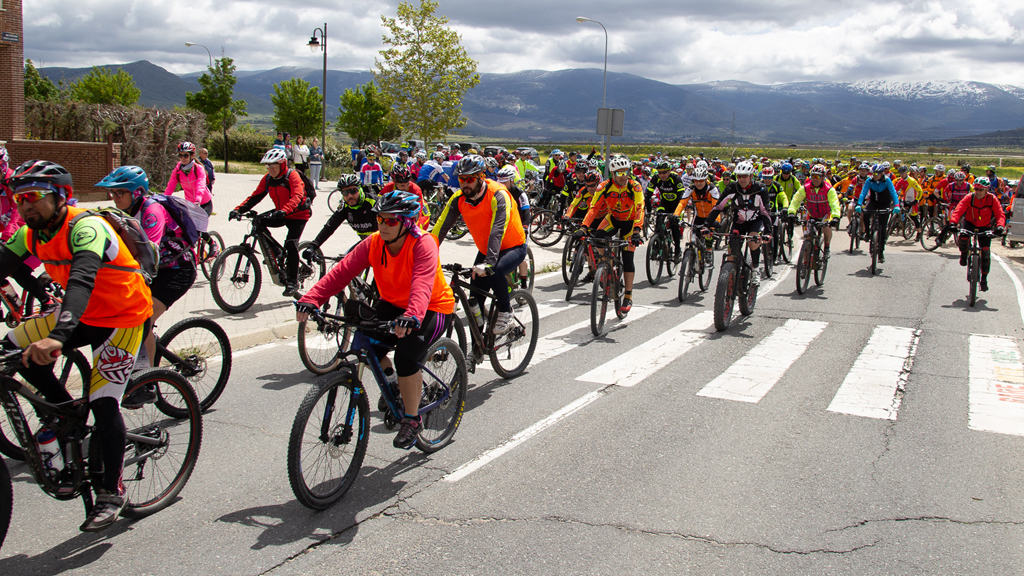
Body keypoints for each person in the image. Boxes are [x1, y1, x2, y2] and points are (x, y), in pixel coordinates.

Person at [0, 159, 152, 532]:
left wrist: (57, 336)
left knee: (104, 404)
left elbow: (82, 280)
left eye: (34, 197)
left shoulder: (87, 228)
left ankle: (110, 491)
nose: (25, 206)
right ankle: (62, 412)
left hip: (122, 316)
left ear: (61, 196)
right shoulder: (30, 233)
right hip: (80, 313)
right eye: (18, 199)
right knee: (10, 348)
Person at [297, 191, 455, 449]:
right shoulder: (373, 242)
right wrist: (312, 298)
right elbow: (342, 272)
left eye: (391, 221)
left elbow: (423, 283)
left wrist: (412, 316)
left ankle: (412, 419)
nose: (382, 224)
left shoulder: (423, 243)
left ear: (407, 222)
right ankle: (393, 386)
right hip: (392, 304)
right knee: (368, 341)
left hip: (431, 308)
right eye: (379, 218)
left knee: (406, 357)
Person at [95, 165, 196, 367]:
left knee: (141, 321)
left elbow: (150, 252)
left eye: (120, 192)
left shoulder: (152, 211)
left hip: (176, 272)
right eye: (112, 192)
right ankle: (145, 348)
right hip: (155, 269)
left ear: (137, 192)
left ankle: (147, 379)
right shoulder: (121, 211)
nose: (115, 197)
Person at [432, 155, 526, 334]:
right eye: (461, 179)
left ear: (482, 177)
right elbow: (439, 228)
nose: (465, 184)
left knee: (496, 270)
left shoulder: (498, 194)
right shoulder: (458, 199)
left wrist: (489, 262)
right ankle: (479, 344)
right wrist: (424, 255)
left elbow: (498, 229)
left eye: (469, 179)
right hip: (486, 250)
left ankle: (506, 311)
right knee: (474, 300)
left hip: (513, 246)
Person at [230, 148, 311, 297]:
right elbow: (255, 197)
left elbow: (298, 195)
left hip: (298, 214)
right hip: (282, 212)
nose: (270, 168)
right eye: (268, 165)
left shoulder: (291, 175)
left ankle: (293, 282)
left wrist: (285, 210)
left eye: (274, 164)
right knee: (258, 222)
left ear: (282, 164)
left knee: (291, 244)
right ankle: (276, 252)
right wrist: (238, 210)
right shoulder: (268, 179)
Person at [582, 155, 645, 314]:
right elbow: (594, 208)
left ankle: (628, 296)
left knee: (628, 257)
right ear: (612, 174)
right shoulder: (604, 186)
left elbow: (639, 208)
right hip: (613, 218)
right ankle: (606, 267)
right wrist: (583, 227)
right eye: (619, 173)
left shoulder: (634, 186)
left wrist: (637, 230)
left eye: (626, 172)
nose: (623, 177)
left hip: (630, 223)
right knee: (598, 237)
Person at [0, 147, 57, 314]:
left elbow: (18, 215)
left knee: (19, 270)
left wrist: (6, 238)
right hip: (15, 236)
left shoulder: (14, 184)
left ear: (3, 166)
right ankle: (13, 302)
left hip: (31, 234)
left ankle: (46, 302)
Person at [703, 161, 772, 283]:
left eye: (745, 176)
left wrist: (768, 232)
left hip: (755, 221)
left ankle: (755, 270)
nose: (742, 179)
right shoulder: (731, 188)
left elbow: (765, 211)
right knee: (730, 255)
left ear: (751, 176)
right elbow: (718, 207)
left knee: (752, 241)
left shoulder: (760, 189)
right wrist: (706, 226)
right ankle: (728, 281)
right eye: (739, 176)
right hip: (738, 222)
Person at [302, 174, 377, 260]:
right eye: (345, 192)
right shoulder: (344, 207)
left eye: (353, 190)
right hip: (365, 243)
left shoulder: (374, 203)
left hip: (382, 242)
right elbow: (329, 227)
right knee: (345, 264)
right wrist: (313, 246)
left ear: (360, 189)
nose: (349, 196)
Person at [951, 176, 1006, 291]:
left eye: (981, 190)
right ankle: (964, 254)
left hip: (985, 226)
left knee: (986, 253)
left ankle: (984, 279)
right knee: (963, 238)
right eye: (976, 189)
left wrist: (1000, 226)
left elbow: (1000, 214)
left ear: (987, 190)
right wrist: (953, 222)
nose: (978, 192)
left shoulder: (992, 199)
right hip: (970, 223)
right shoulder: (969, 197)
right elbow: (958, 210)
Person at [787, 164, 841, 255]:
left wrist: (836, 216)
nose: (815, 179)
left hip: (825, 214)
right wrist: (792, 212)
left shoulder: (829, 189)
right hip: (812, 215)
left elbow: (834, 203)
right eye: (813, 176)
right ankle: (804, 266)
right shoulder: (805, 188)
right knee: (807, 239)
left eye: (818, 176)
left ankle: (827, 247)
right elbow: (796, 200)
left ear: (823, 177)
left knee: (826, 228)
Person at [495, 165, 532, 288]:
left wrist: (525, 227)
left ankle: (524, 285)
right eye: (500, 182)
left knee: (520, 256)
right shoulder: (497, 193)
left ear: (512, 181)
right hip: (507, 226)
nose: (502, 185)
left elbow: (526, 212)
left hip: (521, 225)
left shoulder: (520, 195)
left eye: (505, 182)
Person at [856, 164, 901, 263]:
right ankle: (867, 233)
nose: (874, 175)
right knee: (866, 214)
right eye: (872, 173)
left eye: (876, 174)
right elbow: (863, 192)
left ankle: (881, 252)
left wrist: (897, 205)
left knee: (883, 229)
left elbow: (893, 193)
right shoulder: (870, 180)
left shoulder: (887, 180)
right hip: (873, 202)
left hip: (885, 204)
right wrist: (859, 204)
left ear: (882, 173)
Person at [674, 165, 720, 263]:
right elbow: (682, 202)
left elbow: (716, 207)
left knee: (708, 234)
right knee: (693, 238)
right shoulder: (691, 188)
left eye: (701, 181)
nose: (698, 183)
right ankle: (691, 260)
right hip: (698, 216)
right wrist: (676, 215)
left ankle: (708, 250)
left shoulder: (712, 189)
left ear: (706, 179)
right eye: (696, 181)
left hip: (710, 216)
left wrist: (716, 220)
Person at [647, 160, 687, 255]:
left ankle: (677, 249)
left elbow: (682, 195)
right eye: (660, 172)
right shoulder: (656, 178)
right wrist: (647, 210)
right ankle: (657, 244)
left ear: (669, 171)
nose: (662, 175)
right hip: (664, 203)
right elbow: (647, 194)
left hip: (676, 205)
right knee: (658, 221)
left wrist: (679, 211)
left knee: (674, 225)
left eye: (664, 172)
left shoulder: (676, 178)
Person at [164, 141, 213, 216]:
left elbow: (201, 185)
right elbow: (171, 185)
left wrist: (198, 199)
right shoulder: (178, 170)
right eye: (180, 155)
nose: (183, 158)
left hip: (204, 202)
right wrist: (164, 198)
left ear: (192, 155)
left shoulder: (198, 169)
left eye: (186, 155)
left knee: (200, 225)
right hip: (190, 203)